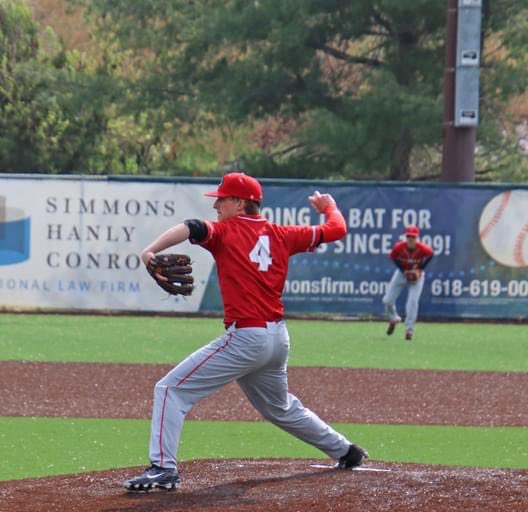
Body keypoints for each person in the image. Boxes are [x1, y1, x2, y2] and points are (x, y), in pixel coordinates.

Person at [124, 172, 368, 492]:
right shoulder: (282, 234)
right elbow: (337, 229)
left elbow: (191, 227)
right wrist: (329, 206)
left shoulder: (225, 231)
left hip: (247, 339)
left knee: (171, 390)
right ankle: (345, 451)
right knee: (279, 408)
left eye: (222, 200)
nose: (217, 206)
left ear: (240, 203)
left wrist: (150, 251)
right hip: (278, 339)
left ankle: (163, 468)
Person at [382, 225, 434, 341]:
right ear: (406, 237)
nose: (411, 239)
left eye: (413, 237)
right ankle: (393, 318)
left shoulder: (422, 248)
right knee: (387, 300)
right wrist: (403, 270)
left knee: (412, 303)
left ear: (417, 237)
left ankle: (409, 331)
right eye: (409, 236)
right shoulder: (400, 247)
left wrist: (420, 269)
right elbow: (393, 257)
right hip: (401, 274)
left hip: (417, 277)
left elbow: (431, 254)